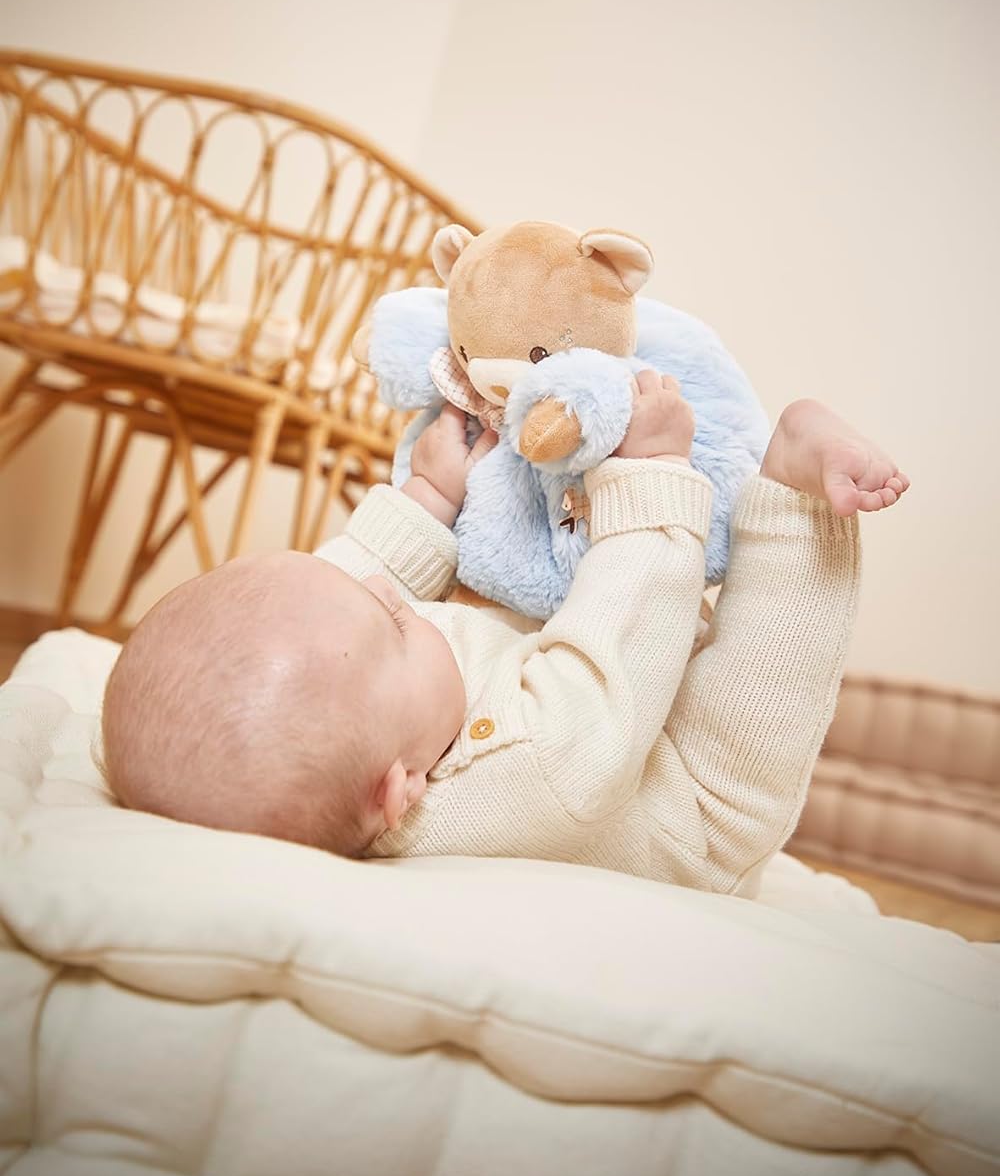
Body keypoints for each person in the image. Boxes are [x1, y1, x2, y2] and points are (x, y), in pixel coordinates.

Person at [101, 377, 907, 893]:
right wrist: (654, 472)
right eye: (398, 625)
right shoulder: (526, 770)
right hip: (679, 801)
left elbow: (350, 581)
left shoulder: (366, 720)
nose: (389, 594)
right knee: (763, 678)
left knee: (402, 606)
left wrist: (430, 489)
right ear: (398, 792)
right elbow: (608, 665)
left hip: (578, 700)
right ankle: (797, 497)